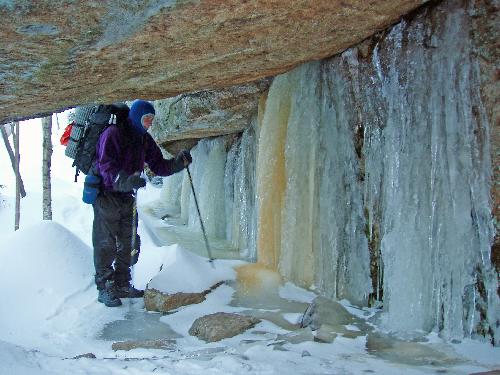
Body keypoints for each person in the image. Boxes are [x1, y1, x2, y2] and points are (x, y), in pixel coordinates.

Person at [92, 99, 192, 307]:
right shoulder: (113, 133)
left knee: (130, 242)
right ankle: (105, 286)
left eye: (152, 119)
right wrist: (126, 181)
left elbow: (159, 166)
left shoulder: (144, 140)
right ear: (136, 116)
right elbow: (106, 167)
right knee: (106, 243)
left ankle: (122, 283)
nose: (149, 123)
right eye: (146, 118)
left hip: (128, 197)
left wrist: (178, 164)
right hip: (107, 196)